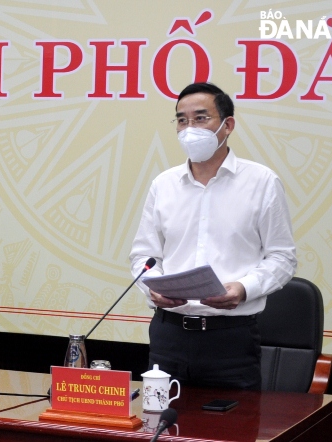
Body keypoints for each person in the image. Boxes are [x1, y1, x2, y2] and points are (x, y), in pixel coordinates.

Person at [129, 82, 297, 390]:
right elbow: (144, 256)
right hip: (168, 336)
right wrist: (152, 288)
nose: (189, 128)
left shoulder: (261, 183)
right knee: (159, 428)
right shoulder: (163, 185)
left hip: (230, 339)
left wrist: (244, 289)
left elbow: (282, 258)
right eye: (182, 120)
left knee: (231, 432)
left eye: (201, 118)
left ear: (227, 124)